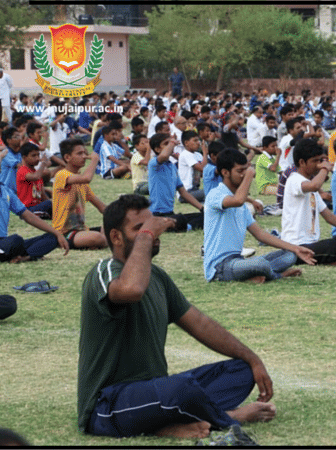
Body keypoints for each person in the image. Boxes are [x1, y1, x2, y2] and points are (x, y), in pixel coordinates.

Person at [78, 195, 276, 442]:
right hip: (108, 404)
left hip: (157, 393)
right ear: (116, 237)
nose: (152, 232)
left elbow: (200, 323)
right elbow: (132, 289)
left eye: (151, 225)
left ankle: (171, 421)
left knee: (241, 370)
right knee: (180, 390)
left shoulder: (157, 277)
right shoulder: (103, 272)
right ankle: (230, 416)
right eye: (139, 228)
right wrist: (147, 236)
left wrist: (252, 359)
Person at [204, 149, 315, 283]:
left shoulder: (242, 207)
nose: (244, 174)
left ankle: (254, 275)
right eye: (240, 171)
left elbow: (260, 234)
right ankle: (276, 275)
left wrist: (296, 248)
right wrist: (249, 174)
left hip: (238, 262)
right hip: (220, 267)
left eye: (246, 169)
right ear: (225, 173)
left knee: (289, 255)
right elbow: (238, 200)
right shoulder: (215, 194)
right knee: (259, 264)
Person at [280, 138, 336, 265]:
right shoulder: (294, 180)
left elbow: (330, 217)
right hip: (295, 245)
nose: (319, 164)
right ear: (302, 162)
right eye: (315, 161)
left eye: (320, 160)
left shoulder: (312, 187)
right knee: (331, 246)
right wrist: (325, 168)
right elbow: (314, 186)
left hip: (311, 244)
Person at [52, 139, 107, 249]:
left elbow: (102, 207)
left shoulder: (80, 182)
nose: (84, 157)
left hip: (81, 230)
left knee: (118, 228)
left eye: (84, 153)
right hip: (65, 232)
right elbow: (86, 178)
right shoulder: (61, 175)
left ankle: (104, 240)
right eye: (79, 153)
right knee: (98, 238)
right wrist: (94, 160)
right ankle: (103, 240)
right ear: (67, 157)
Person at [147, 133, 204, 231]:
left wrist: (202, 209)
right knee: (179, 219)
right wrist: (173, 142)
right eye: (166, 143)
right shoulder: (153, 164)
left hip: (169, 213)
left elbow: (183, 192)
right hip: (156, 214)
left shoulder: (172, 166)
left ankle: (184, 226)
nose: (171, 145)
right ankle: (184, 227)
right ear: (157, 149)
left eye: (170, 143)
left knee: (204, 217)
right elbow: (164, 155)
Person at [15, 142, 53, 217]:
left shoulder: (36, 172)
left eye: (38, 155)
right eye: (33, 156)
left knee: (51, 202)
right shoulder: (22, 170)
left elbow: (43, 195)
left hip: (37, 206)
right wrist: (43, 163)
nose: (37, 158)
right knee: (49, 204)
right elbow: (36, 177)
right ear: (24, 158)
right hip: (27, 209)